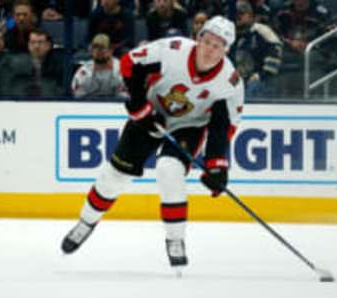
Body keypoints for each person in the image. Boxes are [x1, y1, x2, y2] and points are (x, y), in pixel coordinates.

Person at [61, 16, 244, 270]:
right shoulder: (173, 50)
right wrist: (139, 105)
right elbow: (129, 64)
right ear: (198, 38)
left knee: (170, 169)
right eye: (207, 40)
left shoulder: (230, 82)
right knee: (114, 176)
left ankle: (175, 239)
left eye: (218, 45)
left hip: (189, 125)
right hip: (151, 113)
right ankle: (86, 222)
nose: (210, 49)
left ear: (226, 50)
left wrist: (216, 166)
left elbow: (223, 127)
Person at [233, 1, 282, 99]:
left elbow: (276, 49)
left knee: (254, 87)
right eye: (237, 14)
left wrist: (261, 75)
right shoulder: (234, 33)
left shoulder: (262, 30)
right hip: (240, 78)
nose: (238, 16)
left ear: (251, 16)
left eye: (242, 14)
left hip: (262, 79)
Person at [4, 28, 63, 96]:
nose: (36, 46)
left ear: (48, 45)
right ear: (28, 45)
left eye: (40, 42)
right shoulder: (16, 65)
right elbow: (9, 89)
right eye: (33, 42)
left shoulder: (58, 66)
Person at [71, 34, 126, 98]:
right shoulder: (84, 71)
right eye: (95, 47)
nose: (97, 51)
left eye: (102, 48)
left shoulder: (122, 70)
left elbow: (125, 97)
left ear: (110, 50)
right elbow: (77, 96)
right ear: (91, 51)